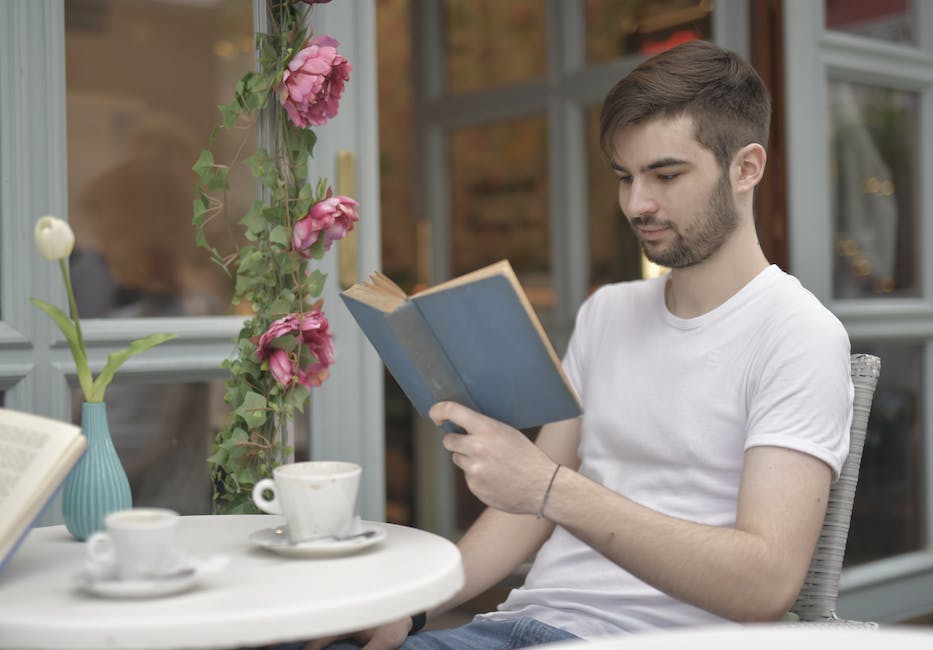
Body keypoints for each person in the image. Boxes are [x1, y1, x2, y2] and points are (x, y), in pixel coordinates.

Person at [308, 39, 853, 649]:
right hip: (515, 624)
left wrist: (549, 487)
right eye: (625, 177)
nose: (637, 204)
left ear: (746, 168)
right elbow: (528, 505)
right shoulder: (608, 312)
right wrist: (410, 609)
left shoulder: (798, 334)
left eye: (666, 174)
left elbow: (765, 585)